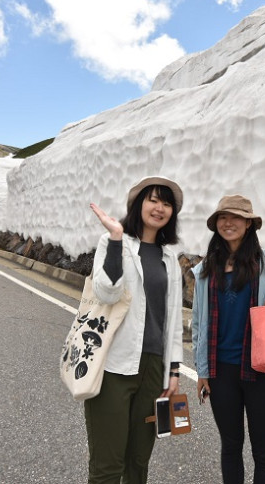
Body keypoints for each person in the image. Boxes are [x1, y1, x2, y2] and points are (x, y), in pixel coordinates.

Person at [191, 194, 265, 484]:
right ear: (216, 223)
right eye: (223, 217)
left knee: (263, 451)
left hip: (261, 371)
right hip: (221, 372)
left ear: (249, 224)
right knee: (231, 447)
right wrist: (202, 370)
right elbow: (198, 323)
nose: (228, 222)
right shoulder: (207, 268)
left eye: (236, 217)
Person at [85, 176, 185, 484]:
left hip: (153, 368)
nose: (159, 208)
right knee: (108, 463)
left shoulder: (170, 258)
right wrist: (116, 239)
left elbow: (173, 320)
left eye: (166, 203)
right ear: (138, 203)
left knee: (138, 461)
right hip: (114, 364)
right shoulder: (113, 243)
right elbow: (107, 293)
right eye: (153, 200)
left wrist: (174, 370)